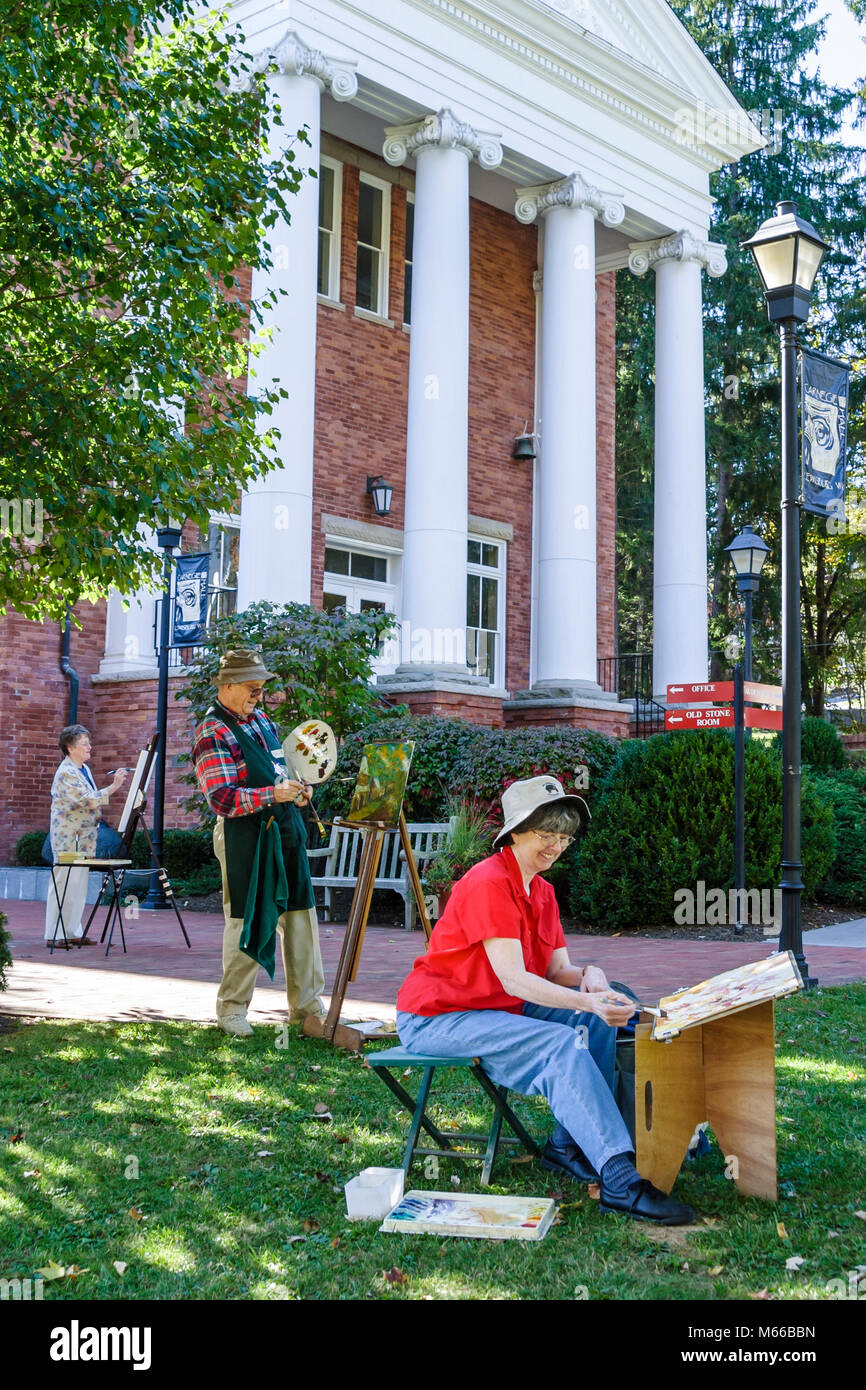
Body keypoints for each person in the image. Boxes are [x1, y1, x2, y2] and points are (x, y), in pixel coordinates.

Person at [396, 775, 695, 1225]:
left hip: (496, 1007)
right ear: (514, 832)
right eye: (545, 835)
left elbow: (557, 972)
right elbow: (516, 980)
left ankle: (565, 1145)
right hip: (439, 1017)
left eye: (563, 837)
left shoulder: (543, 890)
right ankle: (619, 1179)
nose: (555, 846)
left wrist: (591, 977)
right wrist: (586, 1002)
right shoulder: (487, 884)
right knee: (563, 1041)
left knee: (598, 1021)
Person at [193, 648, 329, 1039]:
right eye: (252, 687)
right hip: (245, 837)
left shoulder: (262, 721)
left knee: (301, 919)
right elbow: (221, 798)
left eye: (261, 687)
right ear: (228, 685)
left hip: (285, 831)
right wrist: (274, 794)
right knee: (247, 920)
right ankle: (232, 1009)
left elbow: (280, 772)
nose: (258, 694)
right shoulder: (212, 731)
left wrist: (298, 791)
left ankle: (307, 1010)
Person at [44, 725, 127, 945]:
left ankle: (72, 931)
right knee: (63, 882)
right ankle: (55, 934)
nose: (89, 746)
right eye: (84, 743)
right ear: (70, 748)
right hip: (68, 840)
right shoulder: (66, 772)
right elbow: (86, 799)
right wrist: (114, 787)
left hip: (84, 839)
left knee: (78, 884)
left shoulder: (84, 769)